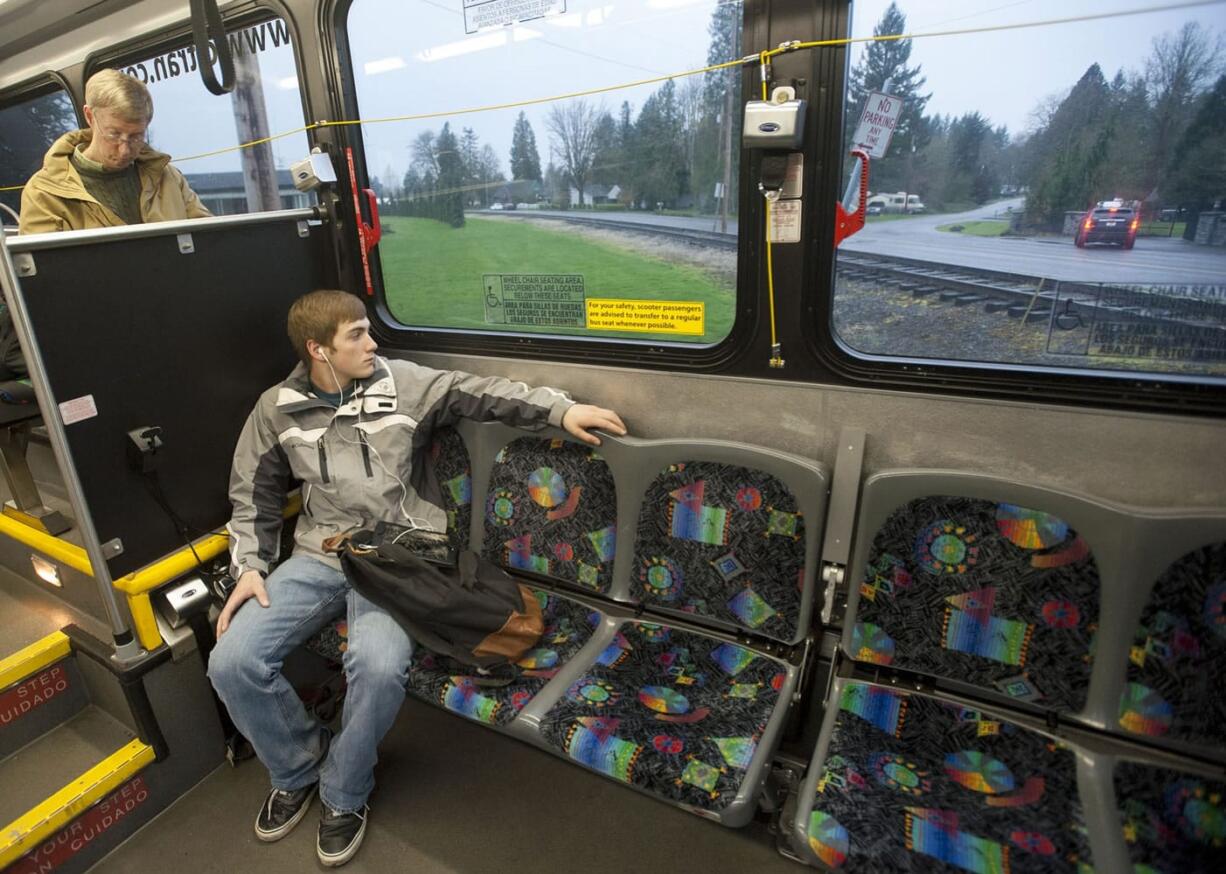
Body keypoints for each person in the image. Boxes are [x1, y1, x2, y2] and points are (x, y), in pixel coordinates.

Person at [208, 289, 626, 867]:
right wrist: (250, 568)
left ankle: (344, 791)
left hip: (401, 557)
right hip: (322, 553)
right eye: (355, 335)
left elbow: (482, 393)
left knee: (378, 668)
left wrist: (561, 410)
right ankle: (298, 767)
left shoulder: (402, 382)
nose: (372, 343)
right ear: (317, 351)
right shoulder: (276, 409)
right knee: (231, 660)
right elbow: (250, 495)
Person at [18, 69, 210, 234]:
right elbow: (49, 273)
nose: (125, 150)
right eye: (114, 134)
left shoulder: (168, 178)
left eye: (136, 136)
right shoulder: (44, 194)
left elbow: (211, 241)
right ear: (89, 116)